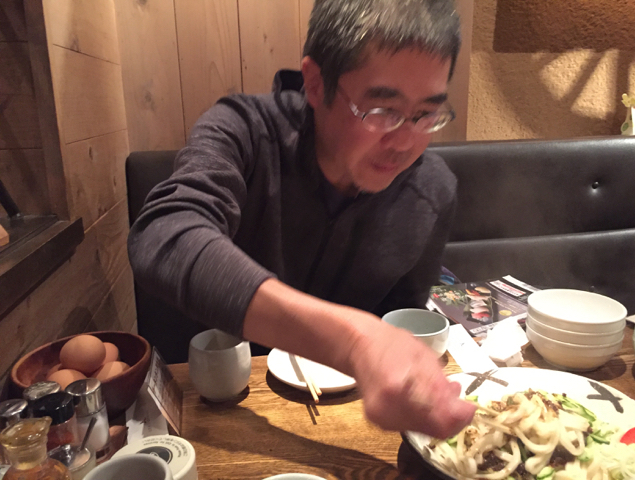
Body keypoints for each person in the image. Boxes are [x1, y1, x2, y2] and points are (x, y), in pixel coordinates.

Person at [128, 0, 476, 438]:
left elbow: (399, 324)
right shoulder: (246, 131)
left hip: (352, 419)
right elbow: (164, 235)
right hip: (225, 410)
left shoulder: (433, 190)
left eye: (426, 114)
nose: (405, 142)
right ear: (315, 83)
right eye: (382, 110)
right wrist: (351, 342)